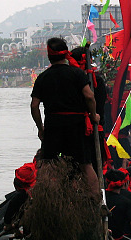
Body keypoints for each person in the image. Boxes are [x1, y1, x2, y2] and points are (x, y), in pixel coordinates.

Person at [30, 37, 101, 199]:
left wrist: (41, 129)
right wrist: (93, 116)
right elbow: (89, 97)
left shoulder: (43, 77)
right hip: (76, 125)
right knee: (86, 164)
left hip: (53, 125)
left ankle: (49, 200)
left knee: (49, 165)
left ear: (49, 56)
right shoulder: (77, 73)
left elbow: (34, 106)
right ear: (65, 53)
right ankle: (96, 199)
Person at [3, 162, 36, 237]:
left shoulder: (23, 195)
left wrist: (7, 224)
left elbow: (12, 206)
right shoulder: (33, 169)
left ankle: (27, 234)